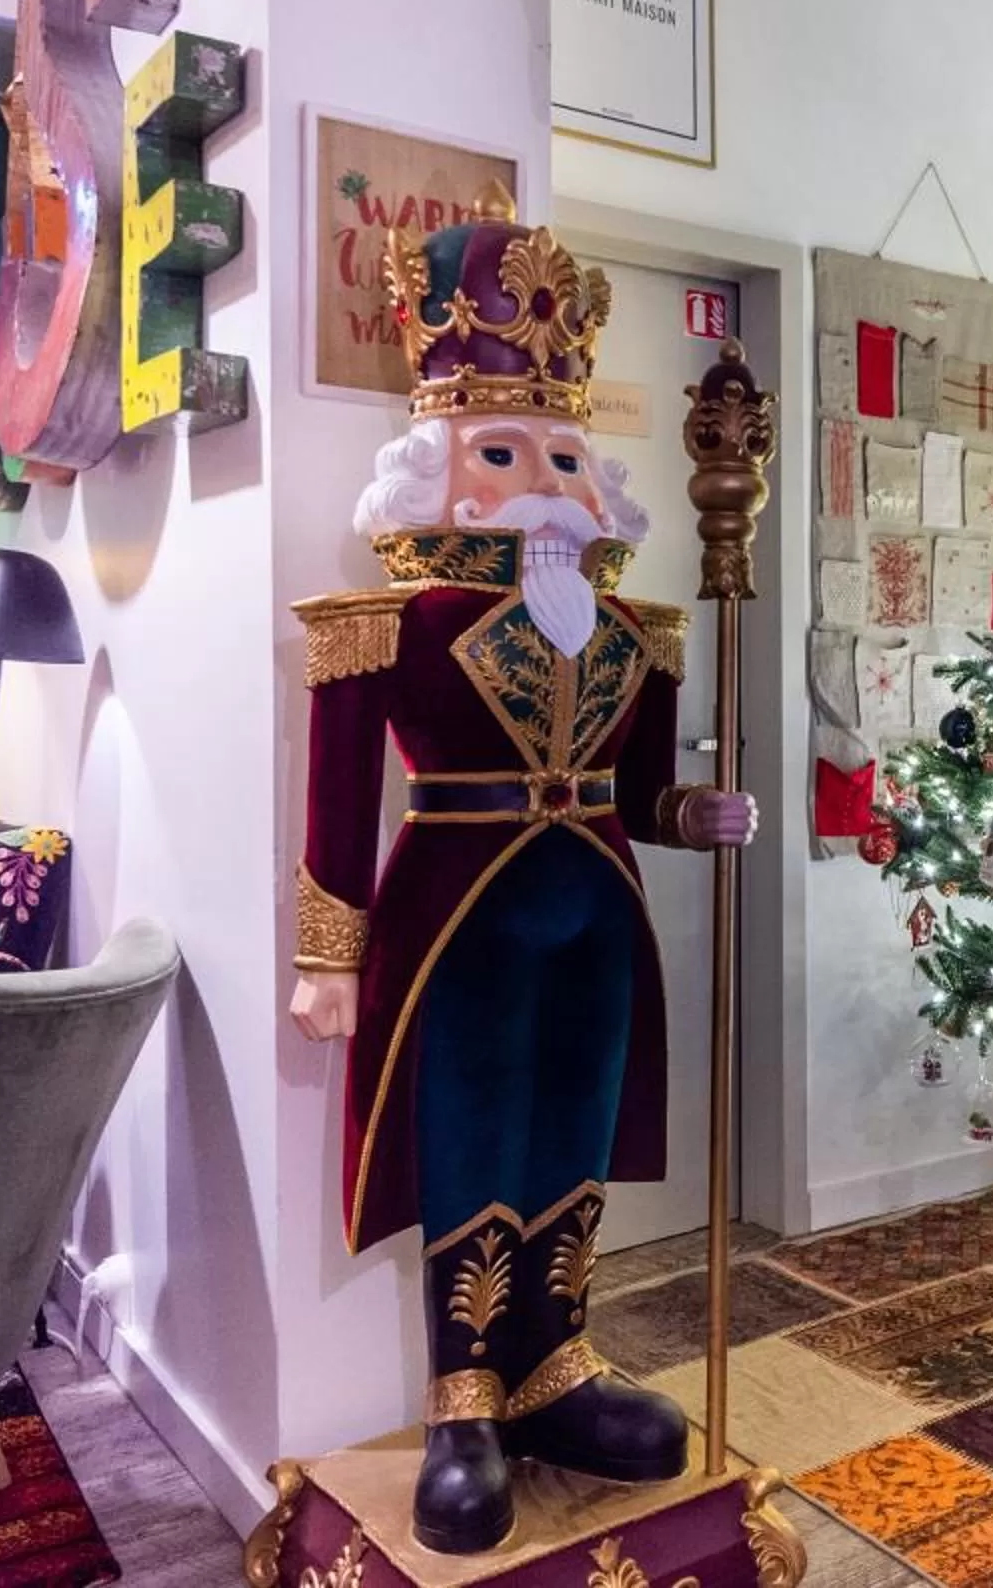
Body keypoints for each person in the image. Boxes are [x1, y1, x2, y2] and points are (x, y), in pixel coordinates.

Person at [288, 208, 754, 1553]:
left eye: (559, 454)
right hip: (459, 918)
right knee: (471, 1133)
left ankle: (556, 1362)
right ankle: (466, 1399)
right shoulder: (383, 624)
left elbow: (646, 788)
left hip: (600, 912)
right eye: (502, 454)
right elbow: (340, 798)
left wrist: (694, 811)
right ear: (442, 469)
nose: (541, 479)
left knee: (576, 1131)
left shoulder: (639, 629)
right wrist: (328, 953)